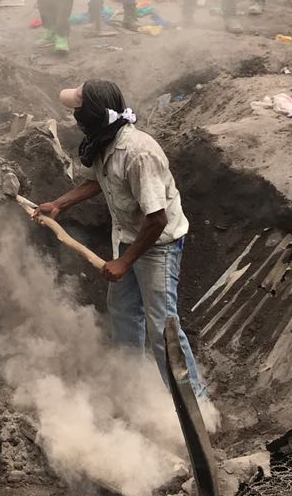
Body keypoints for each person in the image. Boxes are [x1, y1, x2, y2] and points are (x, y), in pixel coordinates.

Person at [35, 80, 208, 403]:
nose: (75, 117)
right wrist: (59, 204)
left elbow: (157, 220)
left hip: (159, 246)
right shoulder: (104, 141)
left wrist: (124, 262)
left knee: (162, 327)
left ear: (93, 115)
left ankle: (194, 404)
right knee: (124, 311)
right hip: (128, 238)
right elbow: (96, 182)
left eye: (78, 110)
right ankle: (133, 392)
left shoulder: (138, 154)